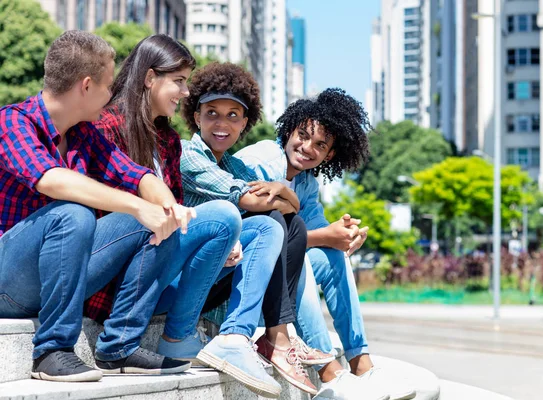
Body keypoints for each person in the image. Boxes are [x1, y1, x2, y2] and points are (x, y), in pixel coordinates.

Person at [0, 31, 192, 382]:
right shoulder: (12, 122)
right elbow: (51, 179)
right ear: (85, 86)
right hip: (8, 283)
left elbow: (135, 175)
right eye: (107, 87)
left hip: (61, 278)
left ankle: (119, 345)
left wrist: (166, 205)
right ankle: (52, 351)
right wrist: (136, 206)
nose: (112, 96)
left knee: (155, 216)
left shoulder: (83, 133)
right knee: (74, 213)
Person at [236, 88, 417, 400]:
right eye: (303, 135)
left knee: (333, 256)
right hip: (237, 273)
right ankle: (330, 374)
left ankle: (361, 364)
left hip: (273, 278)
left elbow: (313, 233)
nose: (308, 148)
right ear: (288, 129)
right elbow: (265, 234)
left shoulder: (305, 183)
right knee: (305, 258)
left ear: (330, 155)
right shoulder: (262, 161)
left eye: (320, 145)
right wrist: (327, 235)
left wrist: (344, 235)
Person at [90, 34, 248, 373]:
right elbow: (100, 217)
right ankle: (149, 339)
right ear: (150, 79)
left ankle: (222, 335)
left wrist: (222, 248)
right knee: (220, 214)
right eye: (179, 81)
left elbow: (175, 215)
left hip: (153, 273)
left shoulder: (167, 140)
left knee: (251, 227)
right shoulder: (105, 126)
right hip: (108, 278)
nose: (186, 92)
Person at [179, 62, 333, 397]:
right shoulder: (188, 154)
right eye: (212, 113)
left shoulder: (236, 165)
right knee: (271, 222)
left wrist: (282, 192)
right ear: (196, 116)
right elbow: (253, 201)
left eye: (233, 115)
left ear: (245, 122)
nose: (222, 124)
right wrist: (278, 195)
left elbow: (289, 207)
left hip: (216, 276)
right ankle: (265, 337)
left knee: (294, 227)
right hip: (183, 279)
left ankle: (276, 336)